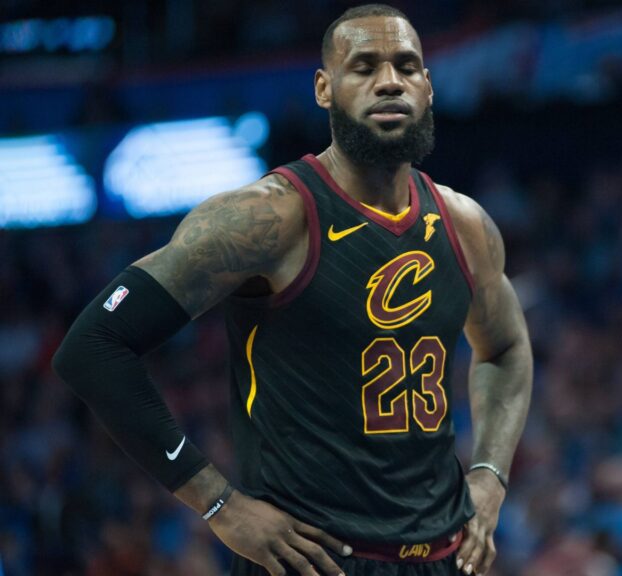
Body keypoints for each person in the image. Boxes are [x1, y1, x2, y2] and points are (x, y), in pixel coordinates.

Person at [51, 4, 533, 576]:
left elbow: (505, 349)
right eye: (365, 67)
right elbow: (94, 344)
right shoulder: (269, 218)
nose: (389, 82)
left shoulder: (465, 225)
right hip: (309, 559)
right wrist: (218, 502)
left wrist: (490, 475)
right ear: (324, 88)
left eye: (407, 66)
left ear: (427, 87)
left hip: (441, 557)